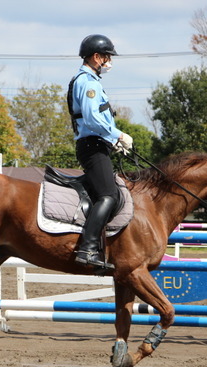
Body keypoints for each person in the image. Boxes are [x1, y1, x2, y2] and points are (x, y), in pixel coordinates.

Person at [67, 34, 133, 272]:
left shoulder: (90, 80)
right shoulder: (89, 83)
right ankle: (88, 248)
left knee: (107, 194)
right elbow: (93, 119)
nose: (109, 61)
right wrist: (117, 135)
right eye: (107, 57)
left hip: (97, 144)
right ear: (96, 57)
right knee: (109, 195)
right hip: (92, 146)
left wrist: (112, 141)